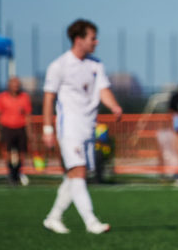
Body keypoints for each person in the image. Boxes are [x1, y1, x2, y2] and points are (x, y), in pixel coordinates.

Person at [41, 19, 122, 234]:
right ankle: (91, 221)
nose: (96, 42)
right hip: (69, 128)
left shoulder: (96, 65)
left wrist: (114, 106)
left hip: (89, 127)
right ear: (78, 40)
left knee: (76, 175)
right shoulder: (59, 66)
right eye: (92, 38)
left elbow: (103, 90)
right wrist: (47, 129)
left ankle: (53, 217)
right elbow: (49, 98)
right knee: (78, 172)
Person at [0, 76, 32, 186]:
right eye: (13, 84)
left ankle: (17, 173)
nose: (16, 87)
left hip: (20, 128)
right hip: (7, 128)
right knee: (7, 152)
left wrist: (29, 131)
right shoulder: (2, 97)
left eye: (17, 84)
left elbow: (28, 115)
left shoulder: (24, 97)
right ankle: (11, 174)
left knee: (21, 153)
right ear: (9, 85)